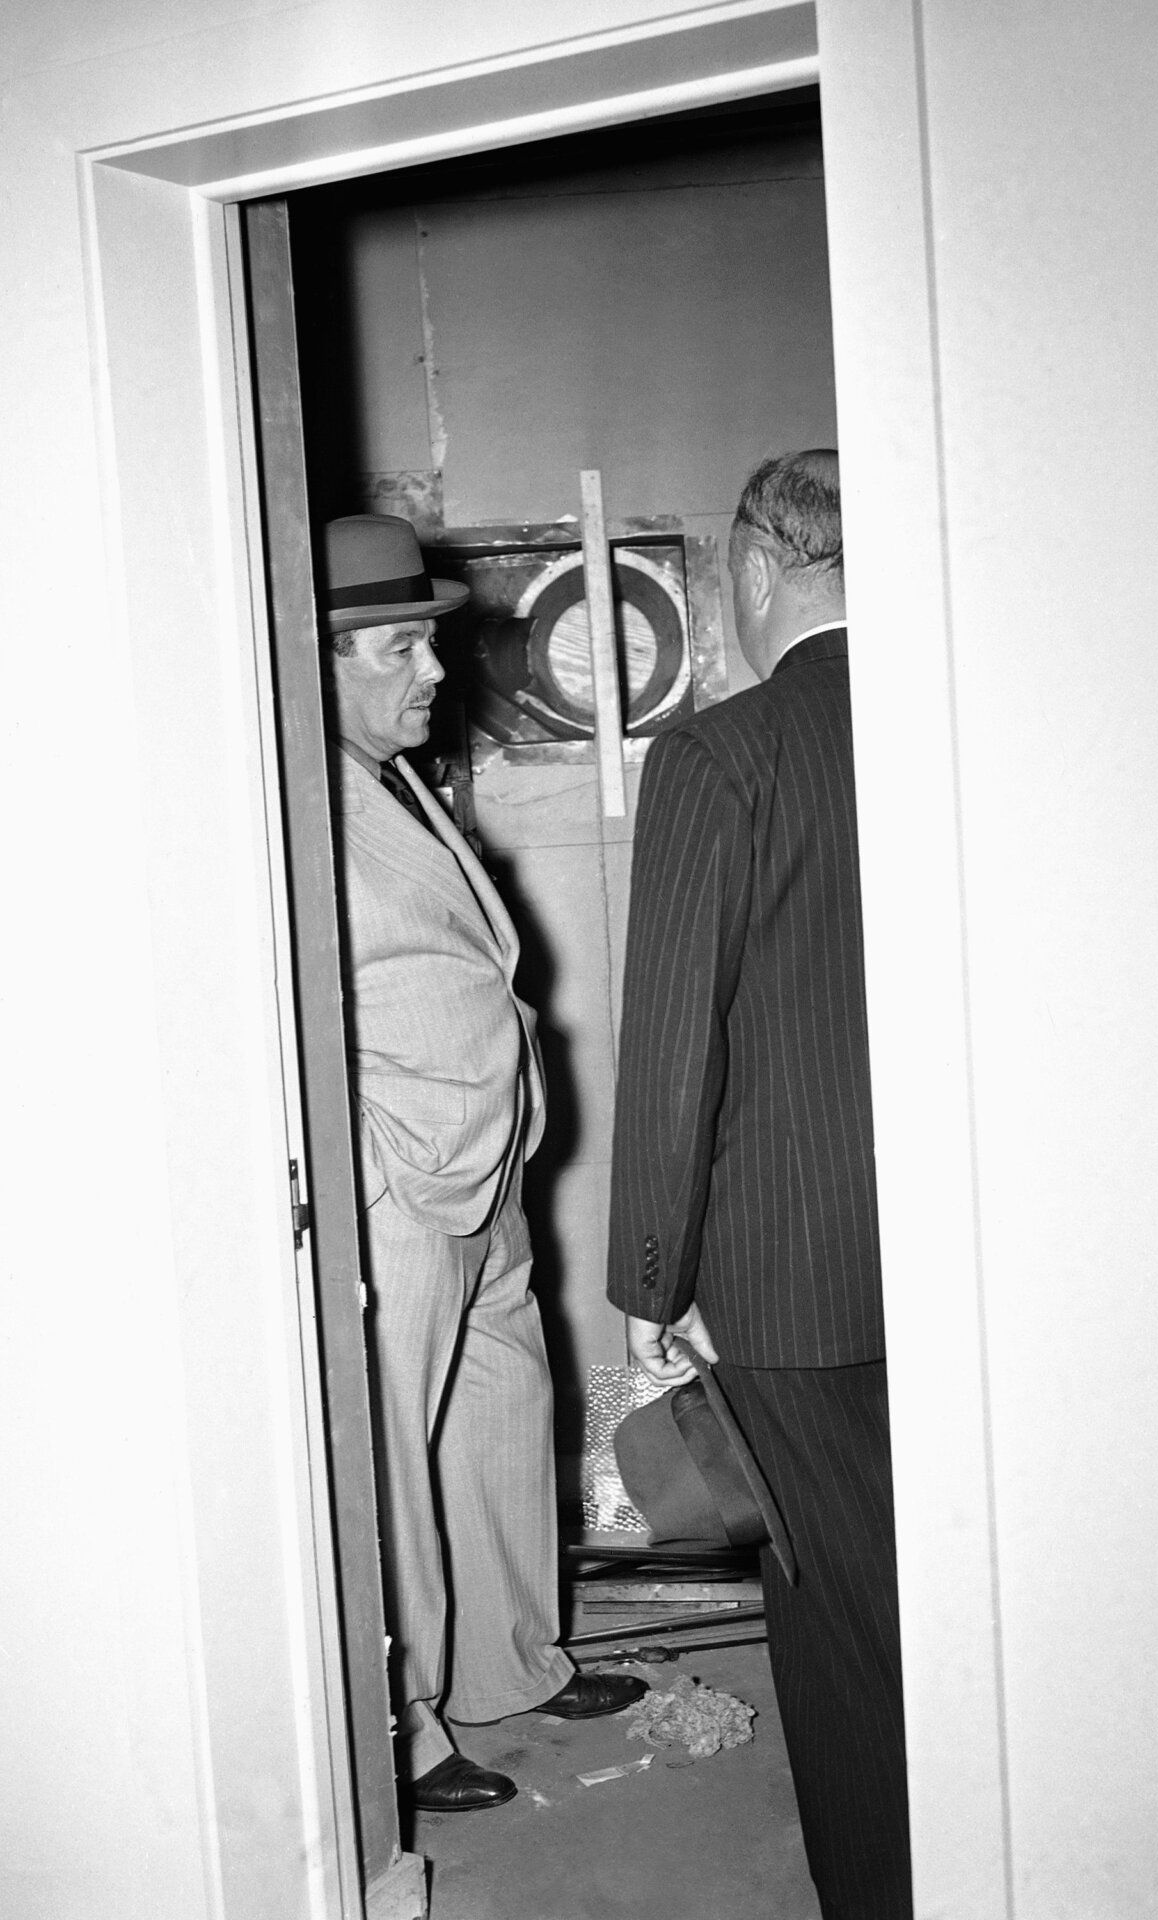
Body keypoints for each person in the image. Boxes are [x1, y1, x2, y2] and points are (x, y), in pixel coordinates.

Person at [606, 453, 912, 1916]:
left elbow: (674, 1047)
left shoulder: (721, 752)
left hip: (793, 1280)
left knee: (843, 1635)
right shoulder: (970, 723)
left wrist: (646, 1289)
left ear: (750, 572)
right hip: (984, 1259)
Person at [322, 513, 645, 1816]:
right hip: (401, 1180)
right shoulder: (284, 796)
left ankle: (509, 1663)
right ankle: (403, 1735)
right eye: (399, 646)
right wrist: (372, 1158)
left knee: (500, 1407)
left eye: (429, 640)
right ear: (314, 657)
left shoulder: (381, 774)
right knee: (392, 1455)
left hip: (484, 1157)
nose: (434, 670)